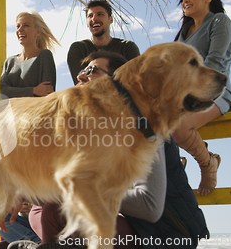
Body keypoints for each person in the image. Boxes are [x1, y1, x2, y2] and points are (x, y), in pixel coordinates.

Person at [19, 51, 208, 249]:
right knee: (43, 210)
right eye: (82, 71)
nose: (80, 76)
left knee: (59, 208)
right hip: (125, 226)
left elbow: (150, 206)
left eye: (91, 70)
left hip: (167, 235)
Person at [173, 0, 231, 195]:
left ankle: (208, 163)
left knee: (177, 127)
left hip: (216, 93)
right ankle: (172, 162)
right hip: (184, 98)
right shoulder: (183, 34)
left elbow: (214, 63)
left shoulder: (219, 21)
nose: (185, 0)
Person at [67, 0, 140, 85]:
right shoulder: (78, 48)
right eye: (90, 16)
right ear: (87, 23)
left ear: (111, 19)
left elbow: (134, 82)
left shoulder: (127, 47)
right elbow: (81, 84)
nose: (94, 19)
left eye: (100, 14)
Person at [0, 11, 60, 99]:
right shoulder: (9, 62)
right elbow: (4, 91)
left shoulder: (44, 56)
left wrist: (14, 91)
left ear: (38, 32)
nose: (20, 29)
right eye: (18, 26)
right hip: (11, 112)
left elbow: (46, 92)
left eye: (26, 25)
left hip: (35, 111)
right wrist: (33, 90)